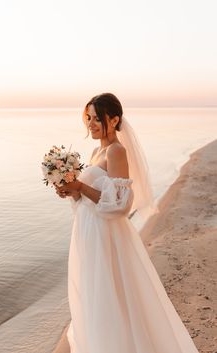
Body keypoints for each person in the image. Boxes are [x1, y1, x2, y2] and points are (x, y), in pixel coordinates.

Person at [54, 93, 200, 353]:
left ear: (114, 119)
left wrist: (81, 186)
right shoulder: (96, 150)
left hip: (106, 236)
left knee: (110, 298)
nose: (91, 124)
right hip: (88, 233)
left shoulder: (116, 151)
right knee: (94, 297)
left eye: (98, 118)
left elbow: (120, 205)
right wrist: (72, 192)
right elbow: (91, 200)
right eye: (88, 118)